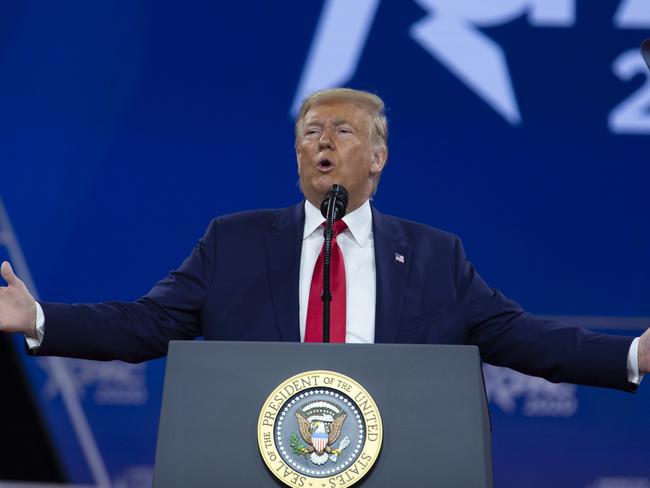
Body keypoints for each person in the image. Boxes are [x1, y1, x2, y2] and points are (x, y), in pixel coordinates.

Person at [0, 88, 648, 390]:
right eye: (310, 132)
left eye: (342, 131)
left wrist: (631, 355)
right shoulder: (233, 244)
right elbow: (145, 325)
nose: (323, 143)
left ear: (379, 157)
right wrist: (40, 318)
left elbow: (523, 338)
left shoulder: (434, 257)